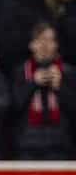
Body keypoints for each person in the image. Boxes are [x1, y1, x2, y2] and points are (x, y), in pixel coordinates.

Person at [11, 22, 76, 160]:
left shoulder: (68, 72)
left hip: (59, 144)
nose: (44, 45)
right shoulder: (21, 72)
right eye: (40, 40)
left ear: (56, 45)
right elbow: (14, 106)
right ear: (31, 45)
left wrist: (60, 87)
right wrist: (33, 83)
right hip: (28, 144)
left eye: (49, 40)